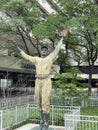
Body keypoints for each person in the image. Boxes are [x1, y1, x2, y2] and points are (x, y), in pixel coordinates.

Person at [15, 29, 69, 129]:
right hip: (38, 80)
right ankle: (41, 120)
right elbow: (26, 56)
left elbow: (57, 49)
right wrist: (18, 49)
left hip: (46, 81)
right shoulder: (36, 59)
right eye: (42, 49)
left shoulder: (50, 58)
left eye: (45, 49)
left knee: (45, 101)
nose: (44, 50)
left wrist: (62, 38)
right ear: (40, 51)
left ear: (47, 51)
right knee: (38, 100)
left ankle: (46, 122)